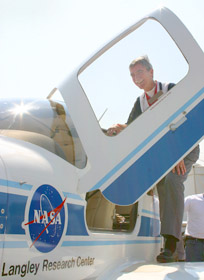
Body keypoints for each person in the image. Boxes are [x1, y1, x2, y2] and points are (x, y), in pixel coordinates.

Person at [107, 55, 200, 263]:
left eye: (140, 72)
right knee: (162, 188)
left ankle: (169, 243)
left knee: (172, 181)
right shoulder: (139, 102)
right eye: (132, 75)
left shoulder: (171, 89)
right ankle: (178, 253)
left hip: (185, 149)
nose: (136, 78)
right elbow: (134, 129)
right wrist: (119, 128)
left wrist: (179, 153)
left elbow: (190, 120)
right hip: (164, 154)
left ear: (151, 71)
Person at [184, 193, 204, 262]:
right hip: (194, 244)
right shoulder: (191, 200)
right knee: (192, 270)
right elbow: (175, 211)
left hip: (194, 244)